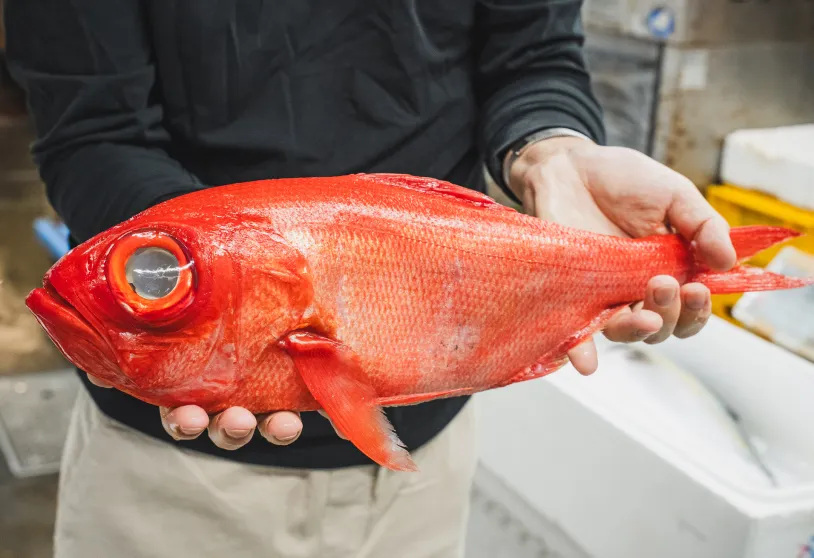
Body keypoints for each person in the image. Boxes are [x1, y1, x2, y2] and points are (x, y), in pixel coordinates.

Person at [4, 1, 735, 557]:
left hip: (427, 459)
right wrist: (172, 283)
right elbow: (94, 127)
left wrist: (550, 148)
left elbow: (534, 55)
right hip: (167, 485)